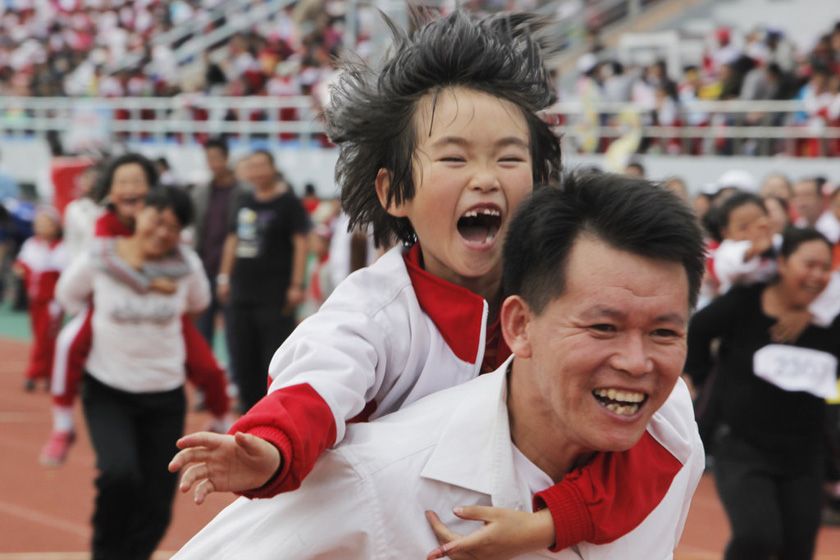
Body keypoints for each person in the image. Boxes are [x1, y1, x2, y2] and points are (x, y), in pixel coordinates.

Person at [170, 11, 701, 558]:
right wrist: (272, 449)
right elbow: (319, 384)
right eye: (454, 156)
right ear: (393, 191)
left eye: (509, 157)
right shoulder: (375, 311)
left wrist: (548, 523)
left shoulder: (570, 306)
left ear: (542, 185)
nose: (485, 176)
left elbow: (657, 439)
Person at [171, 172, 706, 560]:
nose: (637, 363)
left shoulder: (675, 430)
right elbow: (323, 377)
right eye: (603, 327)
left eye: (664, 331)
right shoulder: (377, 482)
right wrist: (274, 444)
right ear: (519, 325)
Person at [42, 153, 230, 467]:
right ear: (109, 191)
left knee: (207, 365)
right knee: (67, 343)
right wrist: (154, 284)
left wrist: (169, 300)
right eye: (122, 182)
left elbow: (183, 266)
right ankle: (62, 424)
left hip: (164, 310)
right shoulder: (105, 223)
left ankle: (222, 416)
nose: (131, 188)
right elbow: (112, 262)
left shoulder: (164, 219)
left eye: (139, 182)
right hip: (105, 301)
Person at [56, 186, 211, 560]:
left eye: (173, 228)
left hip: (165, 394)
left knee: (158, 504)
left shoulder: (186, 266)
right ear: (140, 212)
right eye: (157, 220)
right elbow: (68, 296)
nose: (162, 233)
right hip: (108, 390)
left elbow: (198, 303)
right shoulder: (99, 258)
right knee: (118, 475)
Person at [685, 227, 839, 560]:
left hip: (805, 455)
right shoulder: (745, 301)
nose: (817, 275)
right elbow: (696, 330)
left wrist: (813, 315)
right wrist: (700, 377)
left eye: (825, 267)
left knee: (798, 549)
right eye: (809, 264)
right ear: (782, 262)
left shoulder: (831, 320)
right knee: (757, 538)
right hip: (741, 447)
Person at [216, 149, 309, 414]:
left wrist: (296, 284)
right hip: (242, 292)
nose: (257, 171)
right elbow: (232, 240)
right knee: (243, 353)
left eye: (262, 165)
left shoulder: (289, 202)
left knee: (275, 354)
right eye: (252, 166)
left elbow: (300, 244)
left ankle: (273, 408)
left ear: (272, 168)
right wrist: (224, 277)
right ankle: (248, 407)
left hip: (276, 293)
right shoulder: (243, 200)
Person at [190, 137, 247, 387]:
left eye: (216, 158)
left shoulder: (244, 192)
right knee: (202, 336)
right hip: (204, 271)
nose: (212, 164)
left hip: (234, 275)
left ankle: (235, 383)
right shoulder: (201, 193)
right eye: (208, 159)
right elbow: (195, 233)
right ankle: (206, 387)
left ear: (226, 158)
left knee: (235, 334)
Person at [13, 205, 68, 391]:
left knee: (47, 338)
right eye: (39, 224)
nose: (42, 228)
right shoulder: (31, 245)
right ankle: (49, 375)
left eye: (46, 224)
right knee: (40, 337)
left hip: (52, 302)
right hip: (35, 301)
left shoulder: (61, 249)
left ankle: (34, 373)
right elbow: (20, 264)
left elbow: (64, 275)